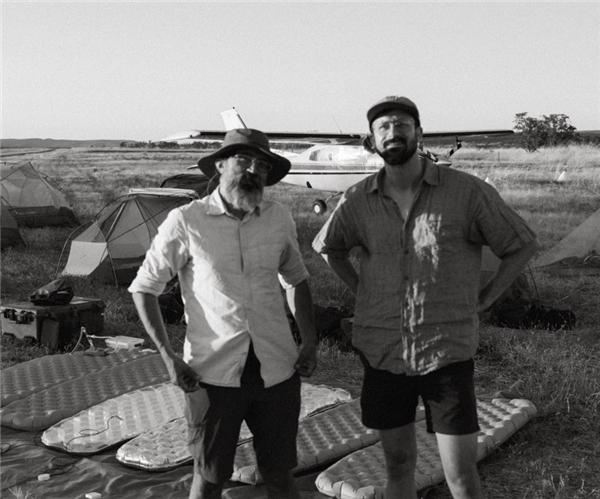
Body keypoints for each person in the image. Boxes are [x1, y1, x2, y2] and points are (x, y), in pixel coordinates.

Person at [312, 96, 539, 499]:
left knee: (461, 475)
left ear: (418, 132)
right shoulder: (357, 199)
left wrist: (487, 297)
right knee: (398, 467)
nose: (393, 132)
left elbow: (520, 244)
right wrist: (362, 291)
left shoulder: (466, 192)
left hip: (445, 352)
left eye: (402, 124)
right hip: (383, 352)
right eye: (383, 127)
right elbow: (329, 248)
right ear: (371, 141)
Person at [129, 128, 318, 499]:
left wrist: (310, 340)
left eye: (262, 165)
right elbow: (144, 288)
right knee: (211, 476)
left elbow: (296, 279)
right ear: (220, 165)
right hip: (212, 374)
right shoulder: (186, 221)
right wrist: (168, 356)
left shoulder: (278, 218)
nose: (252, 171)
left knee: (280, 474)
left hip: (277, 370)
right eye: (242, 160)